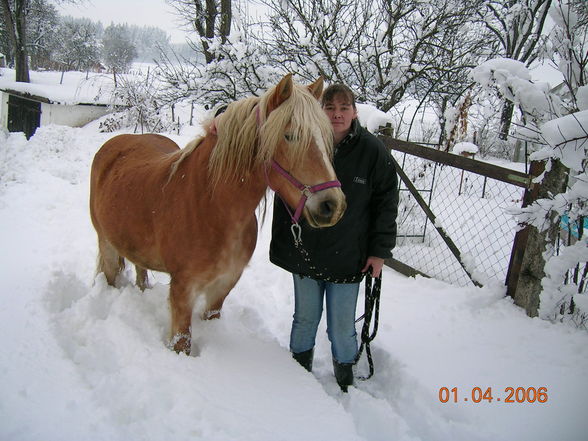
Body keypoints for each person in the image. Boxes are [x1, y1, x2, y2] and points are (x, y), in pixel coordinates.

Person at [269, 83, 399, 392]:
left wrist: (379, 252)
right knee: (304, 320)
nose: (337, 115)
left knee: (342, 329)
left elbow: (386, 203)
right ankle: (299, 379)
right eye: (330, 108)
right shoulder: (307, 140)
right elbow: (284, 192)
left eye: (344, 108)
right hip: (307, 253)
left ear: (355, 112)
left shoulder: (372, 151)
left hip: (348, 256)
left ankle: (345, 382)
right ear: (320, 111)